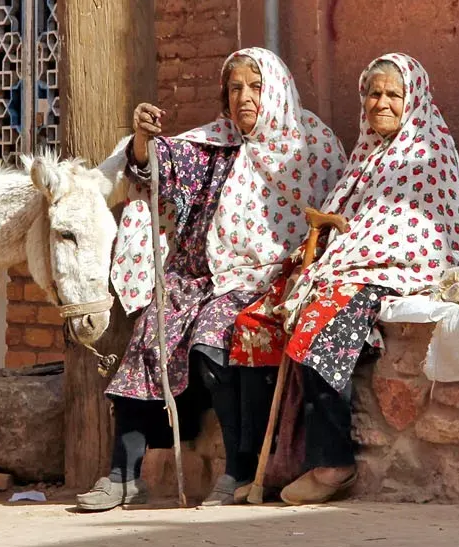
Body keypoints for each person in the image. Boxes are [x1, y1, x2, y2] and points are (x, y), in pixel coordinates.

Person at [75, 47, 346, 512]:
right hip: (199, 276)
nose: (245, 97)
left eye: (255, 87)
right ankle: (123, 473)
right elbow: (158, 166)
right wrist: (141, 139)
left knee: (211, 340)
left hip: (266, 277)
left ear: (276, 91)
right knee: (151, 332)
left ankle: (238, 469)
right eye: (235, 87)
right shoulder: (214, 146)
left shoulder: (309, 146)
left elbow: (330, 214)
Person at [230, 53, 459, 505]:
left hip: (399, 270)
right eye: (373, 94)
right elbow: (351, 219)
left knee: (317, 329)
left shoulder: (427, 151)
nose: (381, 103)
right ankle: (265, 464)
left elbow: (415, 232)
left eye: (392, 95)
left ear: (412, 99)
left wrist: (347, 255)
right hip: (350, 265)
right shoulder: (367, 154)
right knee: (256, 323)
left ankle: (333, 463)